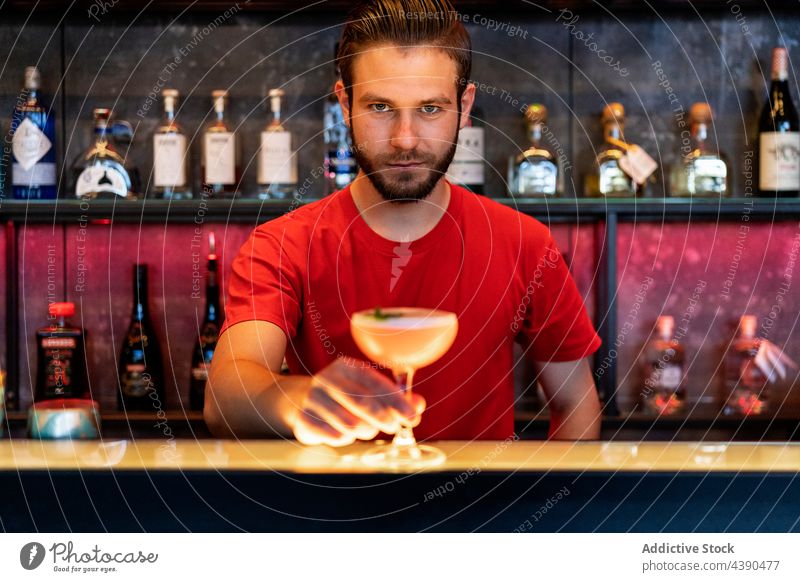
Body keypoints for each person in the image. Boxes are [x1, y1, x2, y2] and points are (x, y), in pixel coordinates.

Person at [205, 0, 602, 446]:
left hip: (482, 514)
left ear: (464, 105)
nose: (405, 138)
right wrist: (298, 398)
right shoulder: (282, 244)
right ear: (344, 104)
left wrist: (543, 511)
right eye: (380, 107)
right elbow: (226, 398)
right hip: (335, 514)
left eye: (430, 109)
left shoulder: (525, 243)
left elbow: (575, 404)